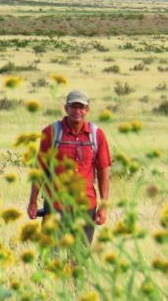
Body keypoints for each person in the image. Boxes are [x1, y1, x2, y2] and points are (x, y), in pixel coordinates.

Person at [27, 89, 111, 244]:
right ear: (66, 108)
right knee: (50, 258)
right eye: (73, 107)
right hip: (55, 205)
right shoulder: (51, 132)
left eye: (81, 107)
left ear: (87, 110)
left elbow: (104, 170)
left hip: (86, 206)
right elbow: (40, 169)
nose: (77, 111)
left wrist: (104, 206)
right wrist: (33, 201)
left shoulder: (97, 134)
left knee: (79, 260)